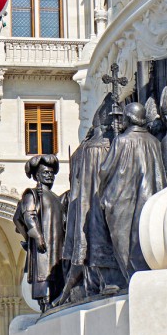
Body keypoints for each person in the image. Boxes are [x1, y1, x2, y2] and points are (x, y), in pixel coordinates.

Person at [56, 96, 122, 304]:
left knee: (86, 247)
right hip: (99, 202)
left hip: (83, 206)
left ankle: (85, 286)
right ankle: (104, 282)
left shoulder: (81, 151)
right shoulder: (104, 146)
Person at [99, 101, 167, 288]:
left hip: (122, 199)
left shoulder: (121, 141)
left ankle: (131, 279)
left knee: (122, 240)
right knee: (142, 240)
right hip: (150, 197)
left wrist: (102, 196)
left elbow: (105, 171)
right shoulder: (154, 142)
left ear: (128, 118)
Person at [13, 153, 66, 310]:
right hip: (44, 245)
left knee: (57, 277)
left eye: (51, 173)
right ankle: (45, 302)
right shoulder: (33, 194)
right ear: (37, 175)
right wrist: (37, 237)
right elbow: (28, 216)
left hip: (58, 245)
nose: (49, 175)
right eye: (45, 173)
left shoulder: (57, 198)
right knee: (45, 277)